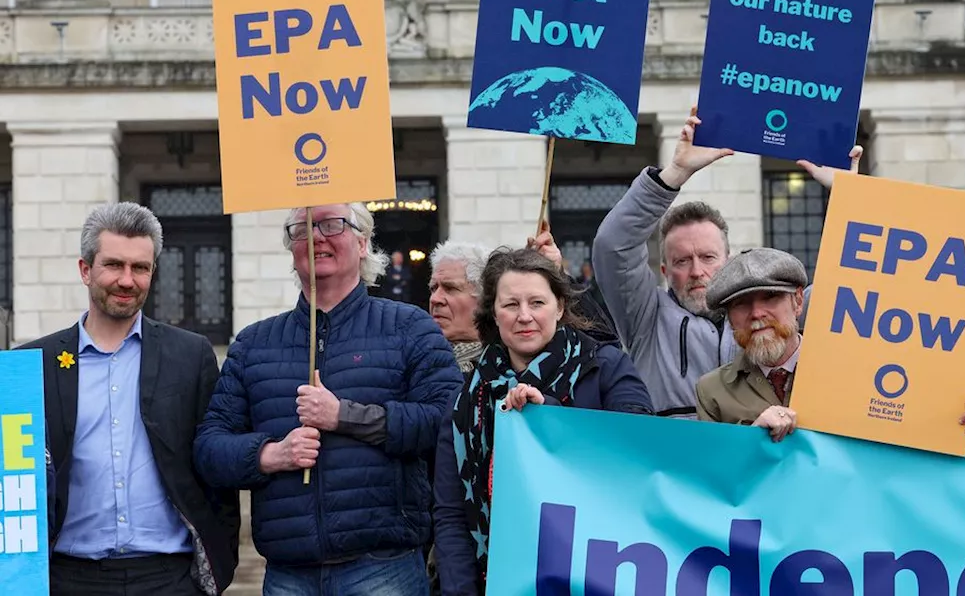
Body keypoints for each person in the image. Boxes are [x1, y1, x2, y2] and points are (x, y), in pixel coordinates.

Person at [194, 203, 462, 595]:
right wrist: (271, 455)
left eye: (332, 224)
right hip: (288, 574)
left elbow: (446, 421)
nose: (317, 236)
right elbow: (209, 449)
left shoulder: (410, 328)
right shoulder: (254, 344)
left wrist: (344, 417)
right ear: (291, 248)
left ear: (364, 242)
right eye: (302, 228)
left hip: (383, 570)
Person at [20, 202, 239, 595]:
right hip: (67, 579)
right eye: (114, 265)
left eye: (140, 268)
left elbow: (214, 466)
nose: (127, 280)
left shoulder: (191, 356)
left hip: (169, 580)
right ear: (85, 270)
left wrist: (217, 572)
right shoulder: (31, 365)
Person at [592, 106, 860, 418]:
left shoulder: (783, 310)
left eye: (708, 257)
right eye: (682, 261)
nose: (697, 271)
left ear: (728, 260)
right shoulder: (644, 319)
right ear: (664, 271)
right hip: (675, 463)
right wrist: (675, 172)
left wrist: (852, 197)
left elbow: (862, 282)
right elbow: (613, 246)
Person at [433, 249, 653, 595]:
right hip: (502, 579)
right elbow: (451, 514)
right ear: (493, 311)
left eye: (537, 302)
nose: (524, 316)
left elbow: (640, 451)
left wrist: (549, 419)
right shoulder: (466, 399)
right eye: (510, 305)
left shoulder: (606, 367)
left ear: (560, 307)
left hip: (597, 573)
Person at [695, 247, 965, 441]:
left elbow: (908, 439)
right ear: (730, 318)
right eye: (741, 305)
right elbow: (711, 481)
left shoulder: (861, 370)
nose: (757, 314)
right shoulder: (711, 391)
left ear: (798, 301)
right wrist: (751, 440)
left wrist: (964, 426)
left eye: (770, 298)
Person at [429, 240, 492, 376]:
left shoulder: (510, 363)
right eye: (433, 288)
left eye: (450, 288)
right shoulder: (414, 359)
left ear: (485, 298)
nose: (435, 299)